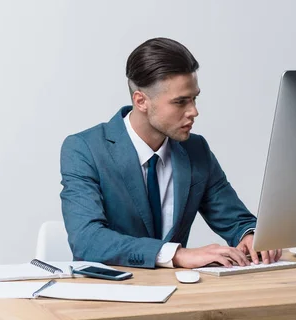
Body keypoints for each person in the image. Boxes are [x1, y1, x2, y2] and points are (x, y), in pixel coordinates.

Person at [60, 37, 282, 269]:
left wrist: (250, 235)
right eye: (180, 102)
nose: (193, 111)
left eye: (194, 98)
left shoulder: (196, 150)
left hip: (180, 295)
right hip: (113, 294)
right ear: (141, 101)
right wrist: (176, 255)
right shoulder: (85, 149)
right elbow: (87, 240)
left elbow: (236, 220)